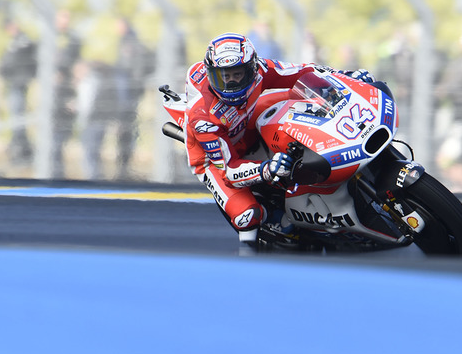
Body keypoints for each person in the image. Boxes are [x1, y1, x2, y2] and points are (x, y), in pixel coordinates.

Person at [183, 32, 375, 245]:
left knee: (302, 98)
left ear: (252, 69)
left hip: (246, 117)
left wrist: (345, 77)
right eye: (223, 77)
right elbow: (229, 171)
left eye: (238, 74)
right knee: (246, 217)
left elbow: (304, 71)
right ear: (211, 75)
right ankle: (272, 229)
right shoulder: (203, 118)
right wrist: (266, 169)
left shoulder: (262, 69)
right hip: (216, 159)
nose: (230, 84)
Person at [112, 18, 153, 179]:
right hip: (127, 98)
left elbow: (135, 68)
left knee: (127, 130)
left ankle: (124, 168)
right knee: (125, 131)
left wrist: (135, 85)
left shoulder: (132, 42)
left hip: (129, 97)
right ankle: (123, 168)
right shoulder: (127, 41)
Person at [0, 19, 37, 165]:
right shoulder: (13, 43)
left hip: (19, 83)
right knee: (16, 119)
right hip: (14, 83)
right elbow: (5, 63)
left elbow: (23, 58)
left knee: (18, 119)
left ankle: (23, 152)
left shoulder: (23, 41)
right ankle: (19, 149)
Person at [51, 9, 83, 179]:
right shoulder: (49, 37)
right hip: (52, 95)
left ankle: (57, 173)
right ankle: (53, 171)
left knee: (60, 138)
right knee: (51, 138)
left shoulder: (73, 40)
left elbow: (73, 64)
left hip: (66, 93)